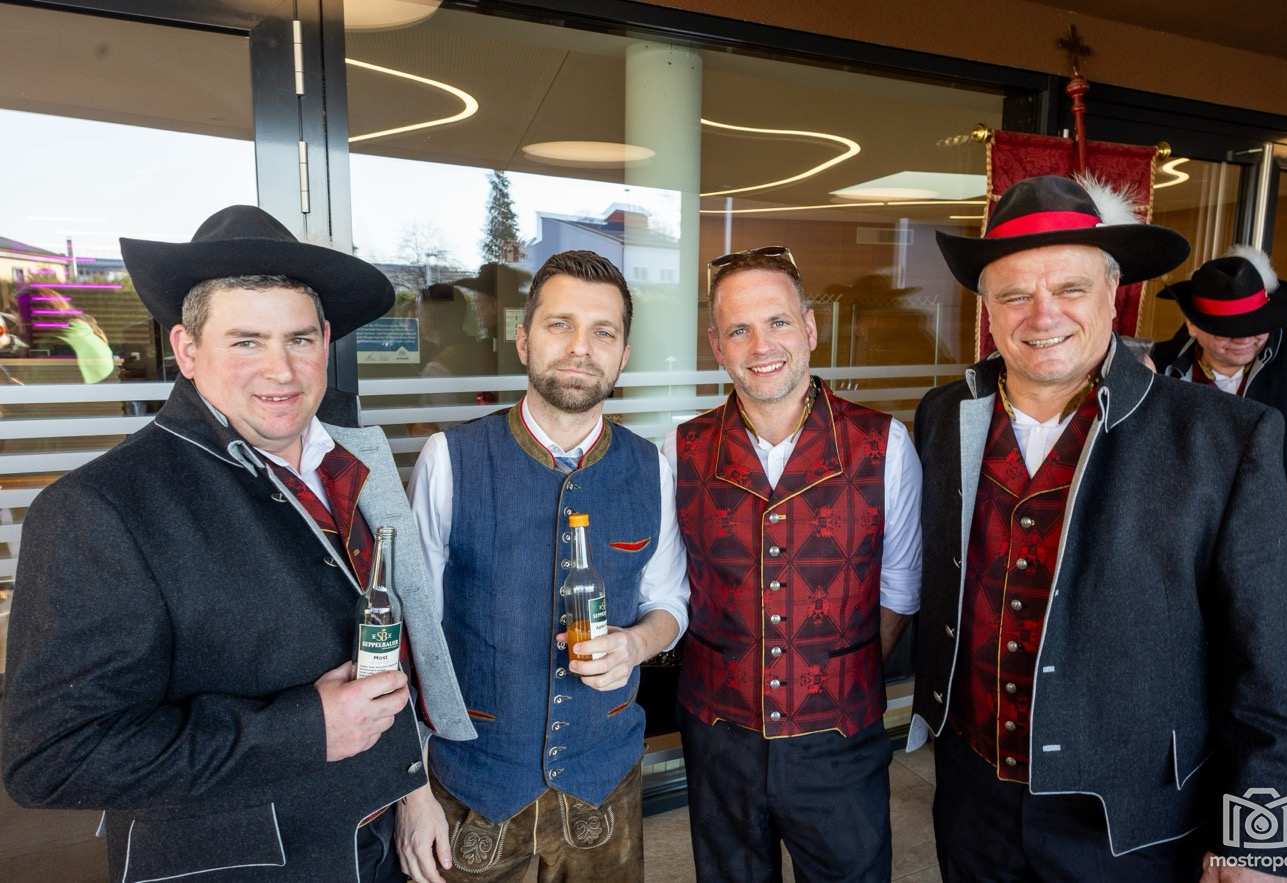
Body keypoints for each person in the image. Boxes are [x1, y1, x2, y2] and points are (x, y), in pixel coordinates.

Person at [1, 205, 474, 883]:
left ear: (326, 341)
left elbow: (385, 649)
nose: (281, 370)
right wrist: (302, 729)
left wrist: (411, 790)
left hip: (374, 847)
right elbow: (52, 759)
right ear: (187, 350)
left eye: (299, 339)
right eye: (247, 341)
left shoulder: (351, 463)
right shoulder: (99, 508)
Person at [910, 174, 1287, 882]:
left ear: (1113, 292)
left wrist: (1262, 840)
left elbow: (1276, 669)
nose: (1043, 314)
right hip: (972, 799)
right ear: (988, 309)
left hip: (1134, 822)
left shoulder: (1227, 437)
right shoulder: (943, 415)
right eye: (1015, 294)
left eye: (1069, 288)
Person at [401, 250, 689, 883]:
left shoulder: (653, 469)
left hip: (603, 784)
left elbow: (670, 603)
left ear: (623, 355)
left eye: (603, 331)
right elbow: (410, 637)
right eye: (560, 324)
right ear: (524, 339)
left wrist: (635, 645)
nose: (580, 347)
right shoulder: (449, 460)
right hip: (472, 785)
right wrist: (410, 790)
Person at [663, 246, 922, 882]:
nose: (761, 346)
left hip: (840, 735)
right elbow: (670, 590)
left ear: (809, 328)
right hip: (719, 738)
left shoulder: (885, 444)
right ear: (716, 346)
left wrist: (832, 674)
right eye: (738, 329)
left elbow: (899, 588)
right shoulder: (678, 449)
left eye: (777, 322)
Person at [1151, 246, 1287, 838]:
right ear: (1194, 325)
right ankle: (1204, 824)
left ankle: (1266, 844)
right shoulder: (1157, 370)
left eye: (1258, 326)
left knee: (1280, 704)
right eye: (1228, 332)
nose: (1246, 339)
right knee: (1213, 700)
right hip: (1195, 572)